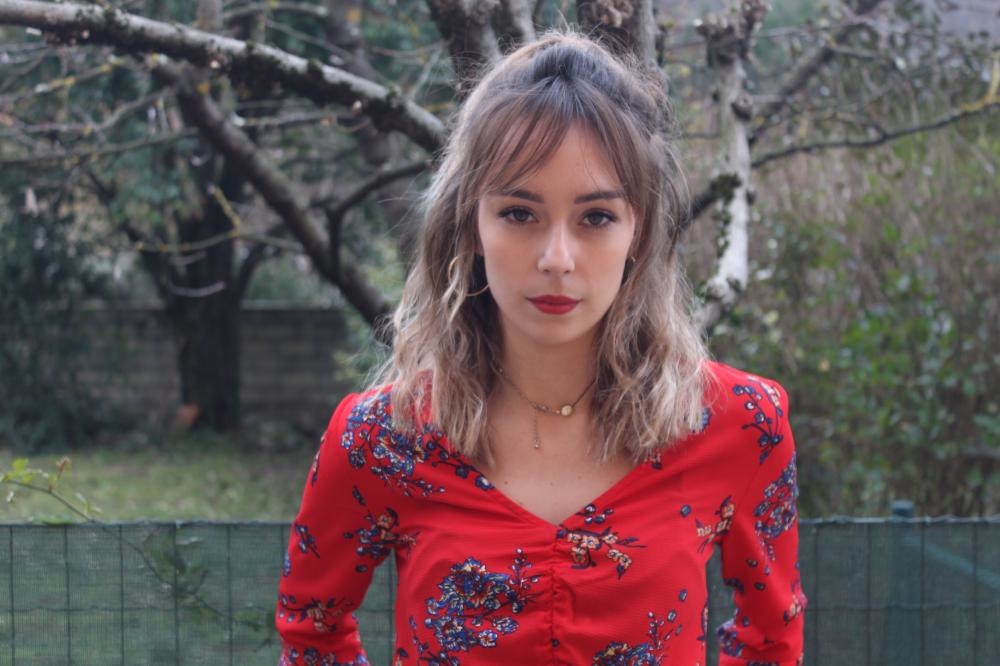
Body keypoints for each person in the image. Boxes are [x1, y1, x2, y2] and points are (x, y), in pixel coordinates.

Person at [276, 32, 806, 666]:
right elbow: (312, 630)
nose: (557, 258)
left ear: (638, 231)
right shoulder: (381, 438)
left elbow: (771, 640)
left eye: (596, 217)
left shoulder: (741, 424)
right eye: (519, 213)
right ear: (471, 223)